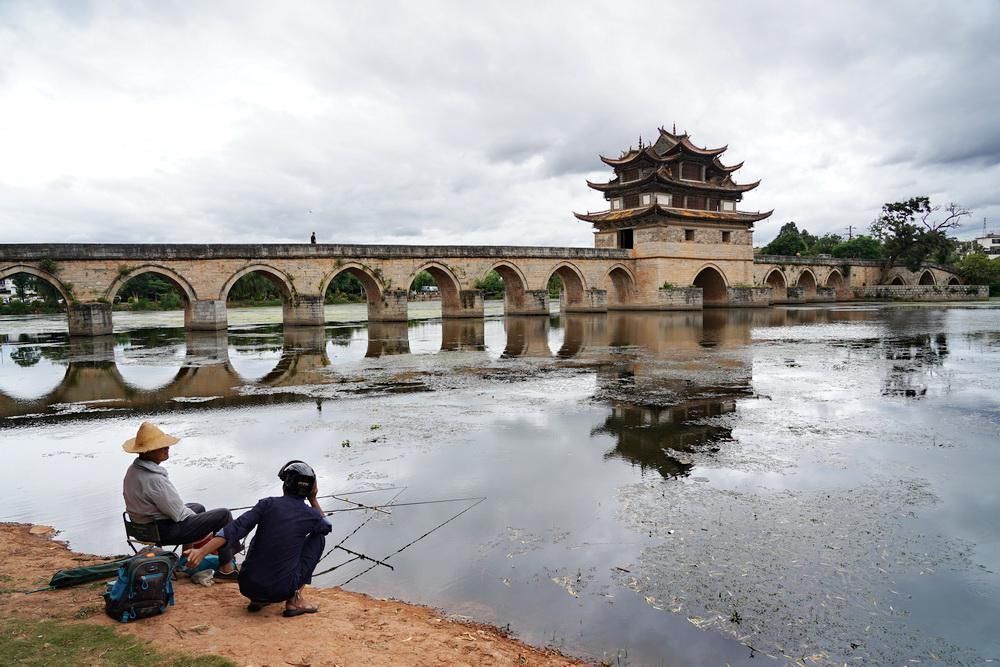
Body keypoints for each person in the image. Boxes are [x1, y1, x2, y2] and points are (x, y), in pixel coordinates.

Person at [185, 460, 331, 617]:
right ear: (311, 489)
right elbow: (326, 527)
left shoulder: (267, 504)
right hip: (281, 591)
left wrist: (202, 551)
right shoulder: (311, 515)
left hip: (248, 587)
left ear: (285, 484)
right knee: (318, 538)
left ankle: (257, 600)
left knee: (264, 530)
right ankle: (294, 601)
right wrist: (313, 499)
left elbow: (234, 529)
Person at [121, 421, 238, 581]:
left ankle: (185, 559)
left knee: (198, 507)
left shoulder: (134, 470)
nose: (167, 448)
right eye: (161, 446)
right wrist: (202, 525)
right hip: (161, 531)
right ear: (148, 451)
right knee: (223, 515)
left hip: (142, 527)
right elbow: (179, 515)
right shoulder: (154, 479)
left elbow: (174, 509)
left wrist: (197, 518)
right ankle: (226, 570)